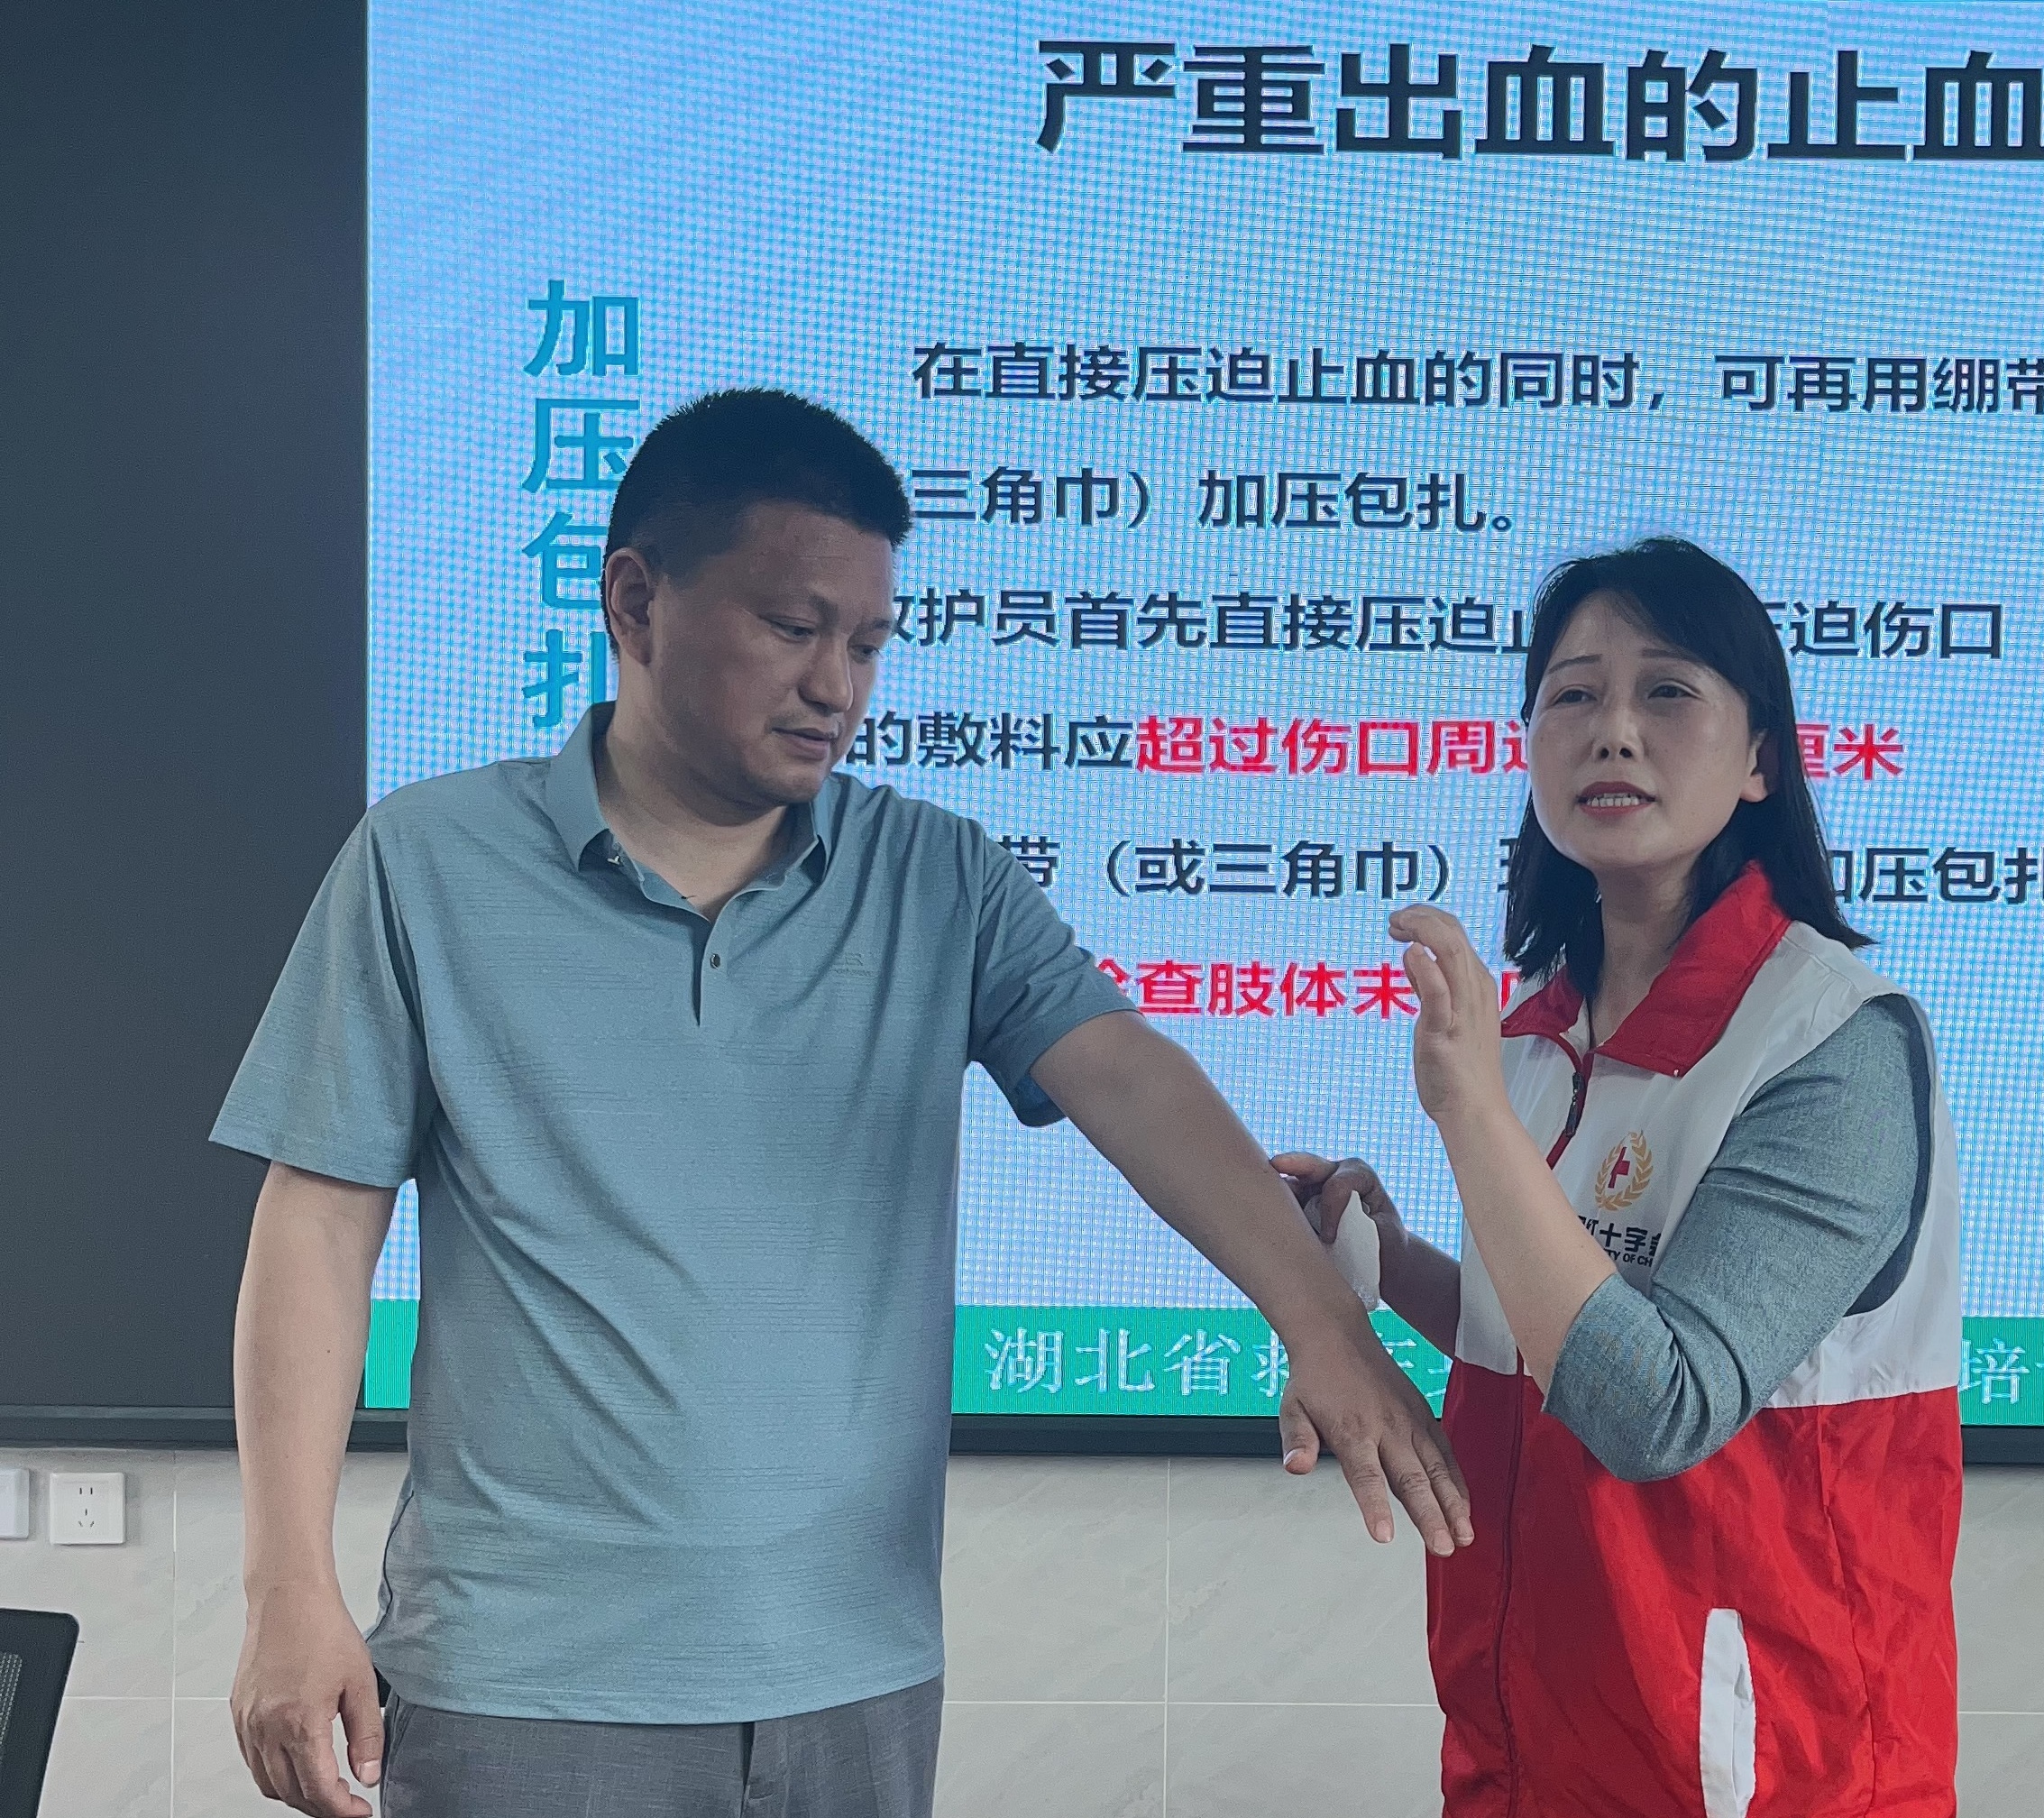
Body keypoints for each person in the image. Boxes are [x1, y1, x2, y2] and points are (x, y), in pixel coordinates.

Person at [214, 389, 1471, 1818]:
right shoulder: (427, 863)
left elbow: (1127, 1077)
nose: (837, 686)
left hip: (851, 1682)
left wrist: (1322, 1320)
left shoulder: (937, 878)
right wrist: (285, 1588)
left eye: (867, 644)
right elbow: (316, 1230)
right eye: (792, 628)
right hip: (524, 1687)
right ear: (636, 601)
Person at [1275, 538, 1962, 1817]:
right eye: (1574, 694)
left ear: (1761, 760)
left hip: (1764, 1762)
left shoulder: (1830, 1040)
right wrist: (1389, 1258)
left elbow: (1657, 1407)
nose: (1614, 732)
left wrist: (1471, 1113)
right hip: (1533, 1725)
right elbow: (1546, 1325)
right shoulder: (1541, 1030)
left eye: (1668, 691)